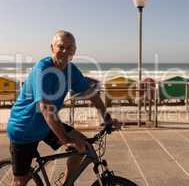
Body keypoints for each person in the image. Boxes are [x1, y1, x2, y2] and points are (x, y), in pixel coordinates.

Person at [7, 30, 118, 186]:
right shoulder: (43, 69)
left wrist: (107, 118)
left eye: (70, 48)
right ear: (52, 48)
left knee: (83, 146)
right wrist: (66, 140)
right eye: (61, 47)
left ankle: (67, 183)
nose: (65, 51)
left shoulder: (71, 70)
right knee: (21, 180)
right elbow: (45, 107)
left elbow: (90, 93)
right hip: (24, 128)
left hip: (47, 125)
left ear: (74, 51)